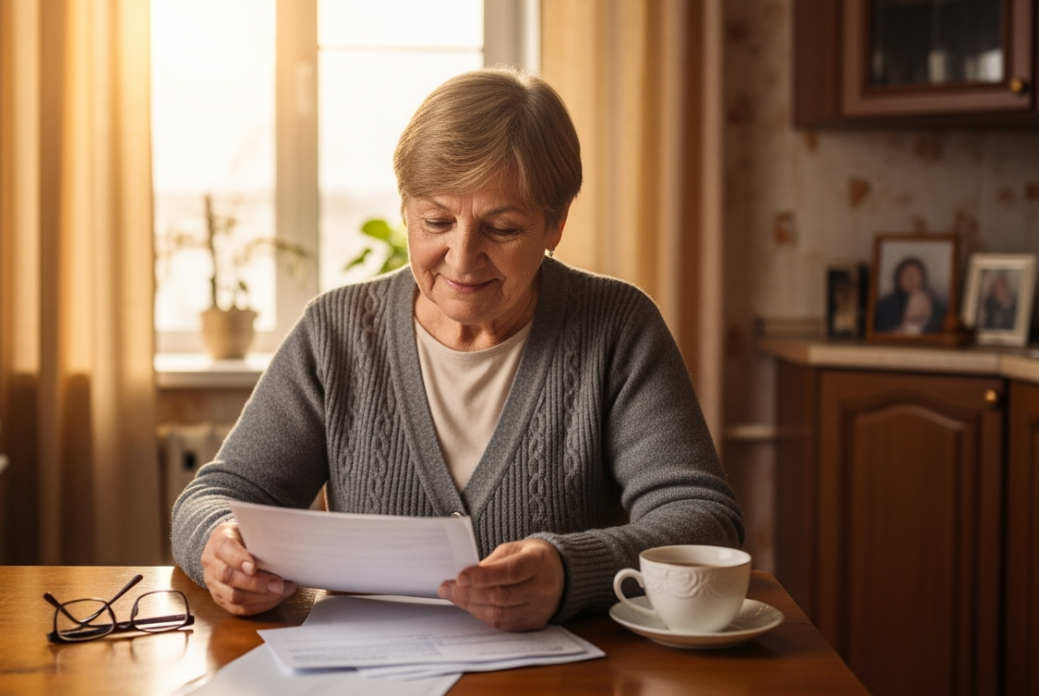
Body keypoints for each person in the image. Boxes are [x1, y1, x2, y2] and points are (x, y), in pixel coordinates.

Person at [172, 68, 745, 632]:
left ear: (556, 224)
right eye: (437, 221)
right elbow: (217, 495)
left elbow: (702, 522)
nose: (462, 257)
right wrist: (220, 545)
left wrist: (571, 571)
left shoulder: (617, 327)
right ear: (405, 212)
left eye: (502, 228)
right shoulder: (336, 332)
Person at [873, 256, 945, 334]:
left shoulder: (934, 302)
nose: (911, 279)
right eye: (906, 275)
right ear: (898, 278)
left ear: (923, 278)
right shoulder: (885, 304)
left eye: (915, 275)